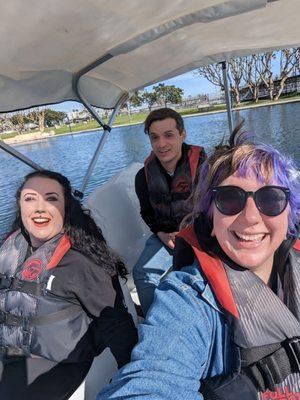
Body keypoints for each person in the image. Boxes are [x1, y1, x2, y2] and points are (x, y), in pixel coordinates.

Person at [97, 123, 300, 399]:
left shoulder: (200, 164)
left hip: (195, 229)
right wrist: (162, 233)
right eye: (230, 199)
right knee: (144, 272)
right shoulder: (188, 302)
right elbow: (152, 383)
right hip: (169, 233)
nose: (251, 216)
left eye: (271, 198)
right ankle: (150, 321)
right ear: (211, 213)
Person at [0, 170, 138, 400]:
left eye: (51, 198)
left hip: (57, 361)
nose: (39, 208)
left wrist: (134, 380)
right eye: (30, 199)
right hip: (10, 348)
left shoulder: (80, 263)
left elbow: (117, 325)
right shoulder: (10, 249)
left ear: (65, 208)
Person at [133, 107, 206, 314]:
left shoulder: (206, 169)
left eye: (168, 135)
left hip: (201, 234)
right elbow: (147, 212)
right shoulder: (143, 177)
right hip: (165, 236)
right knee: (143, 273)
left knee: (198, 272)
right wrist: (161, 233)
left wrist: (189, 233)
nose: (161, 144)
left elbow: (216, 211)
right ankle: (155, 322)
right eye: (154, 137)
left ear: (182, 135)